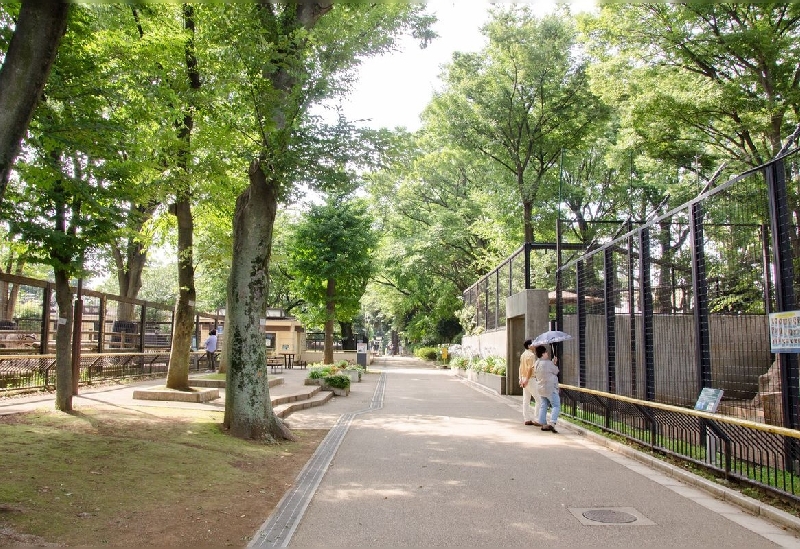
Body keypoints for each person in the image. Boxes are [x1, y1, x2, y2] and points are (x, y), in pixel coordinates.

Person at [534, 345, 560, 433]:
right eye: (545, 352)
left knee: (544, 403)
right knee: (556, 404)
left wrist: (552, 363)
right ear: (542, 354)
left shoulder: (537, 363)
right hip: (550, 387)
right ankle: (552, 422)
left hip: (540, 387)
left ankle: (542, 421)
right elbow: (556, 371)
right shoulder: (548, 363)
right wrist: (554, 363)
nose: (547, 353)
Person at [518, 339, 542, 426]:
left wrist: (521, 379)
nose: (534, 345)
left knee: (526, 399)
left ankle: (527, 418)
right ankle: (537, 418)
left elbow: (520, 367)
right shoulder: (531, 355)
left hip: (524, 378)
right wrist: (527, 379)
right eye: (533, 344)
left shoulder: (523, 355)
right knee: (539, 399)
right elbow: (530, 368)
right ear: (529, 346)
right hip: (530, 379)